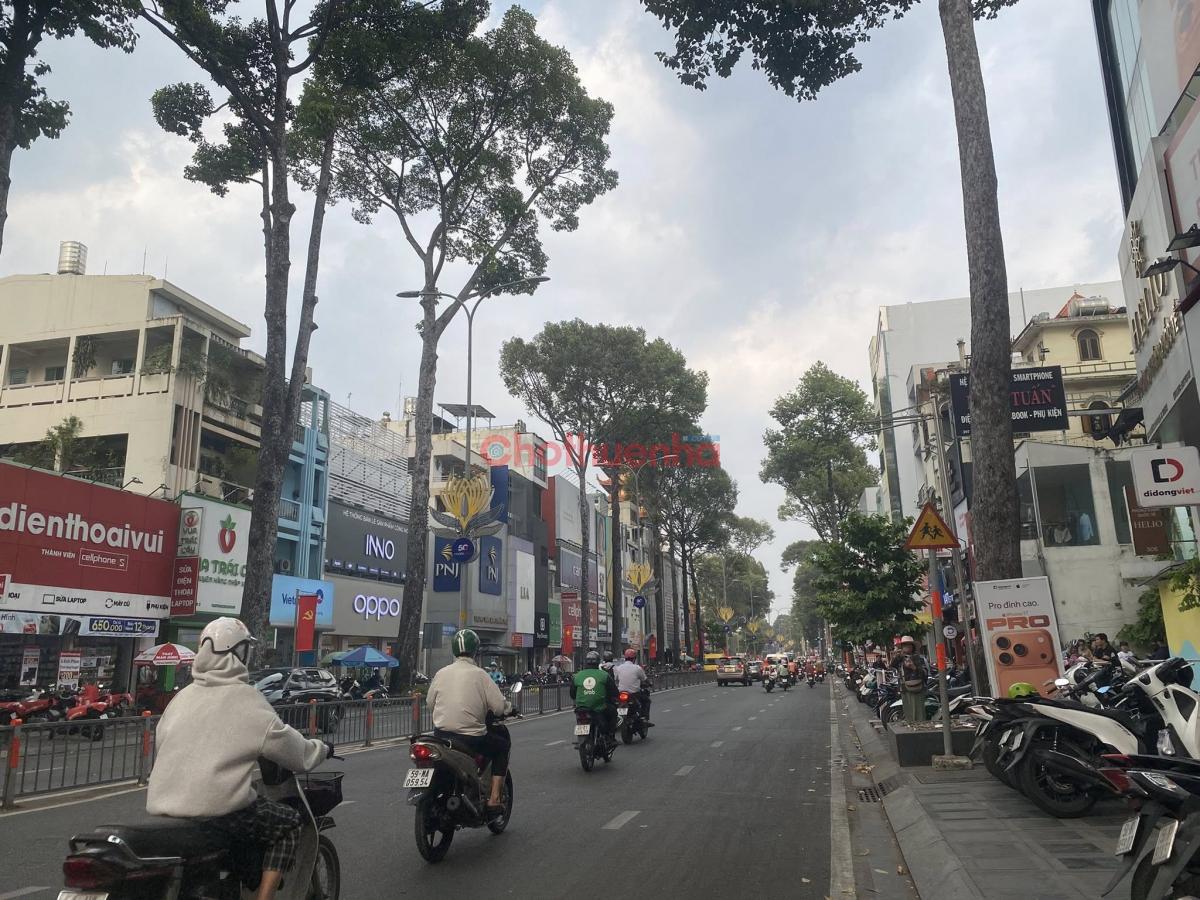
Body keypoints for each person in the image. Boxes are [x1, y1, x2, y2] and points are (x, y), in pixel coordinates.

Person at [147, 618, 331, 900]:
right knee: (289, 823)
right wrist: (323, 748)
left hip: (166, 813)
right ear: (240, 653)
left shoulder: (181, 698)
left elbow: (163, 745)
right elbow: (297, 752)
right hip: (220, 812)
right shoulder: (246, 699)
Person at [427, 629, 512, 814]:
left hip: (441, 736)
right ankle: (494, 799)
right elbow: (499, 707)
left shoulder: (441, 673)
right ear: (476, 650)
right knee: (502, 747)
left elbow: (430, 703)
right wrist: (508, 709)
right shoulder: (480, 675)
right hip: (470, 738)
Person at [570, 650, 618, 739]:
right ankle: (610, 736)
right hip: (598, 707)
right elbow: (614, 692)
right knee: (613, 712)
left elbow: (572, 693)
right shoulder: (604, 675)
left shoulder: (577, 675)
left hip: (581, 708)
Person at [890, 636, 929, 723]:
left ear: (913, 647)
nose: (907, 647)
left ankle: (919, 728)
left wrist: (914, 667)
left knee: (918, 713)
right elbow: (892, 665)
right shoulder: (900, 659)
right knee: (908, 713)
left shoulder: (919, 658)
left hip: (916, 688)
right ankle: (911, 727)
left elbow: (925, 673)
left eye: (909, 645)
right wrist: (898, 655)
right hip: (904, 689)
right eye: (904, 645)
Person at [615, 648, 653, 724]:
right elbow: (645, 679)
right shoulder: (637, 668)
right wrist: (650, 683)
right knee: (646, 701)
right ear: (634, 658)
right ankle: (644, 718)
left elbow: (615, 679)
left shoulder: (618, 668)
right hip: (634, 694)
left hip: (620, 693)